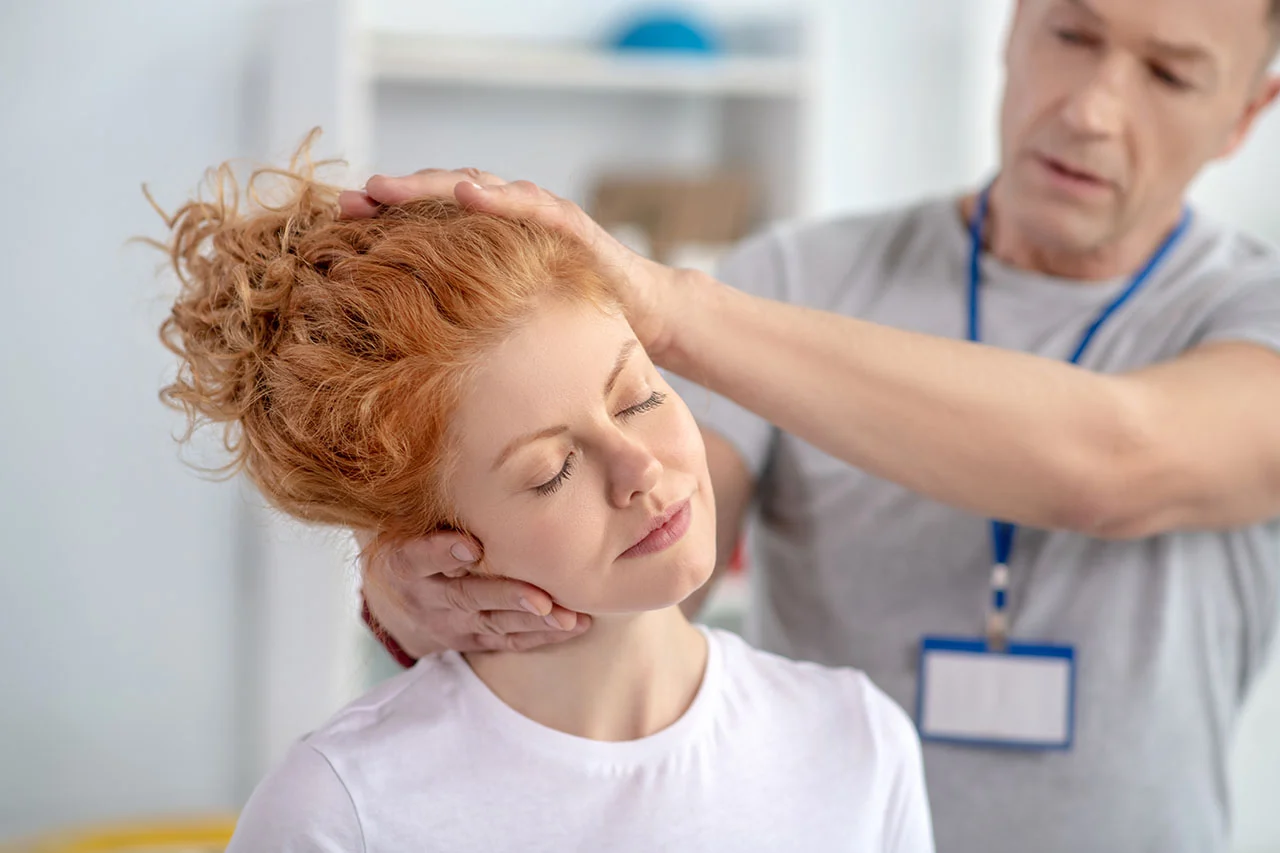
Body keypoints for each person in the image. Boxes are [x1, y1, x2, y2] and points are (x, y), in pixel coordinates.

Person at [345, 1, 1280, 851]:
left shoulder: (1253, 318)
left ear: (1247, 109)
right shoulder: (796, 280)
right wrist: (436, 581)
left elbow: (1115, 460)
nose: (1091, 109)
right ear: (1016, 22)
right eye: (1072, 34)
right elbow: (645, 556)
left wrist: (675, 310)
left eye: (1169, 74)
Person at [151, 146, 935, 852]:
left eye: (636, 398)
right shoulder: (343, 809)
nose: (638, 466)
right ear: (439, 541)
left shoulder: (856, 745)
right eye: (552, 469)